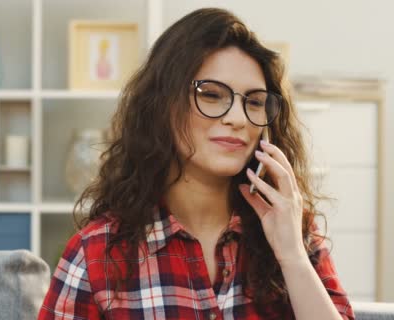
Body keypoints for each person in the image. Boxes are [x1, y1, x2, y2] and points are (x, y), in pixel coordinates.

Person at [38, 8, 354, 320]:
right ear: (163, 105)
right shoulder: (97, 255)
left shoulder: (294, 233)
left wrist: (293, 257)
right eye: (212, 95)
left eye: (255, 102)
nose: (237, 118)